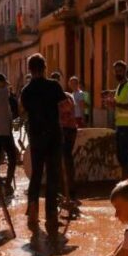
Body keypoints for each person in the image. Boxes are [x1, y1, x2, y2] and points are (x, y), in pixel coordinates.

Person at [21, 54, 67, 234]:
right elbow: (64, 107)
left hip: (36, 136)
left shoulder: (26, 90)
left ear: (29, 69)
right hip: (53, 135)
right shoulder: (54, 86)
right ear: (45, 67)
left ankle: (33, 213)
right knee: (53, 176)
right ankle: (51, 215)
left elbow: (22, 110)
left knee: (37, 174)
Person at [52, 72, 78, 201]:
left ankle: (69, 190)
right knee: (61, 159)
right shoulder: (56, 97)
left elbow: (67, 110)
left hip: (67, 130)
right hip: (62, 129)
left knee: (66, 158)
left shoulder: (66, 97)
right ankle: (64, 189)